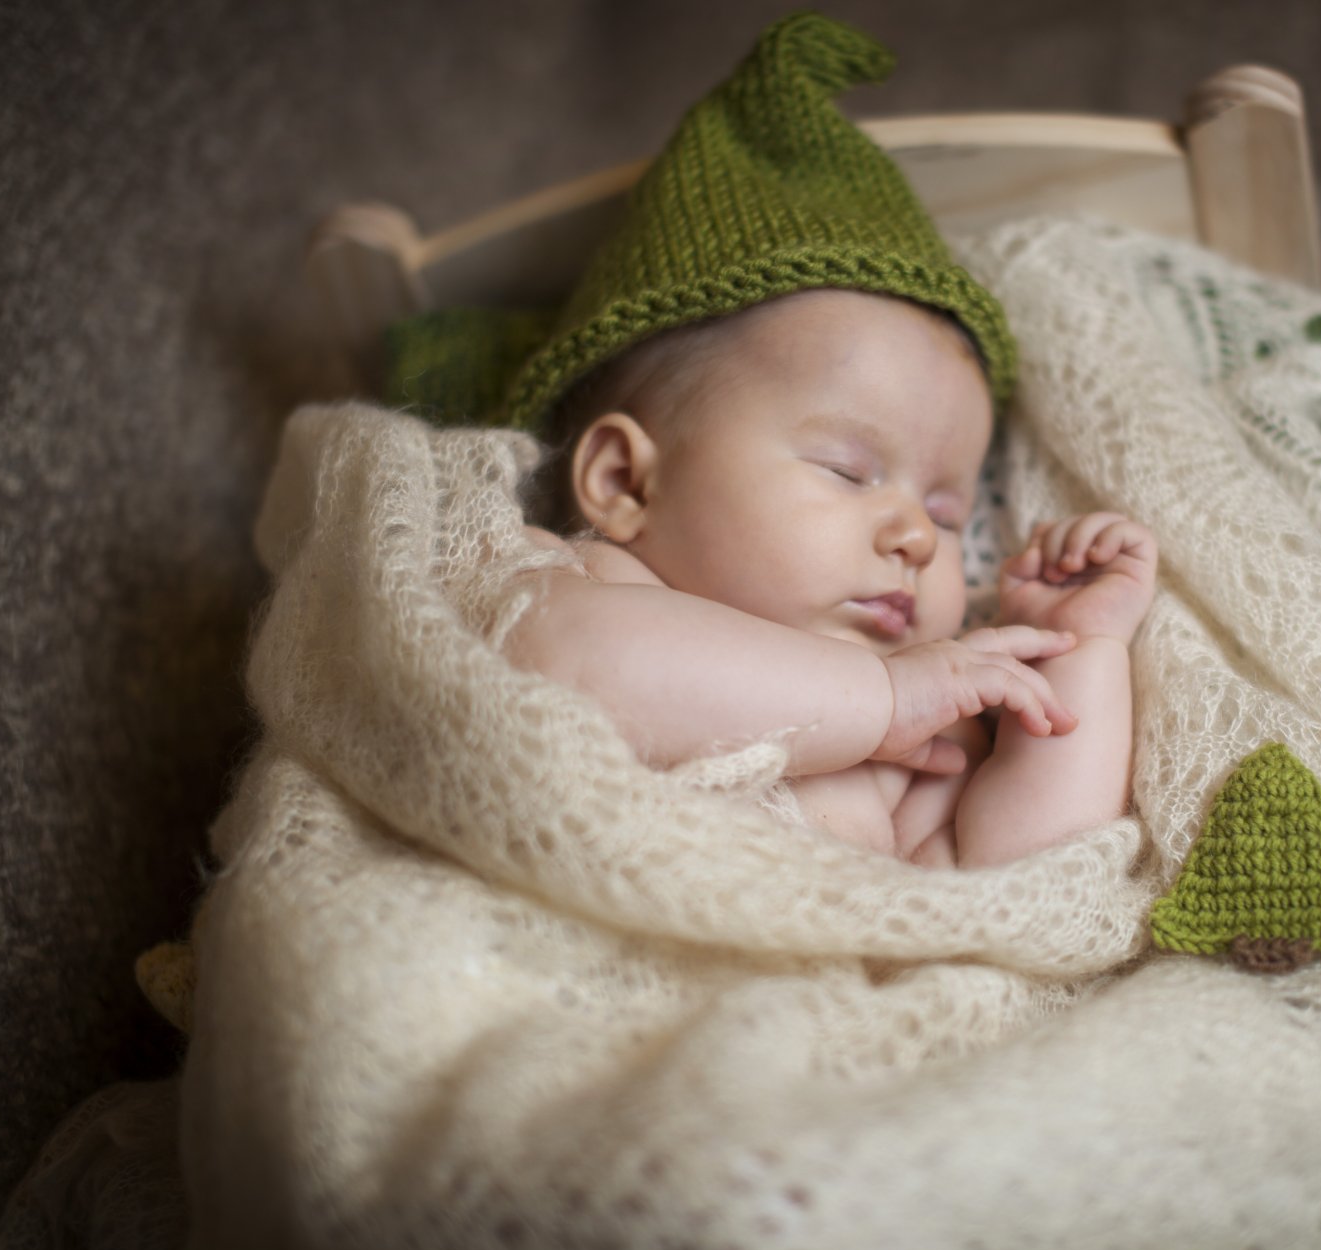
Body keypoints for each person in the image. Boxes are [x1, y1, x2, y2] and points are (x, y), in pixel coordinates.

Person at [481, 14, 1156, 866]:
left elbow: (1031, 865)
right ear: (625, 483)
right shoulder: (582, 586)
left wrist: (1083, 650)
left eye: (947, 513)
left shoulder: (924, 717)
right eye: (847, 471)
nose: (915, 536)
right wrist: (878, 701)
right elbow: (569, 668)